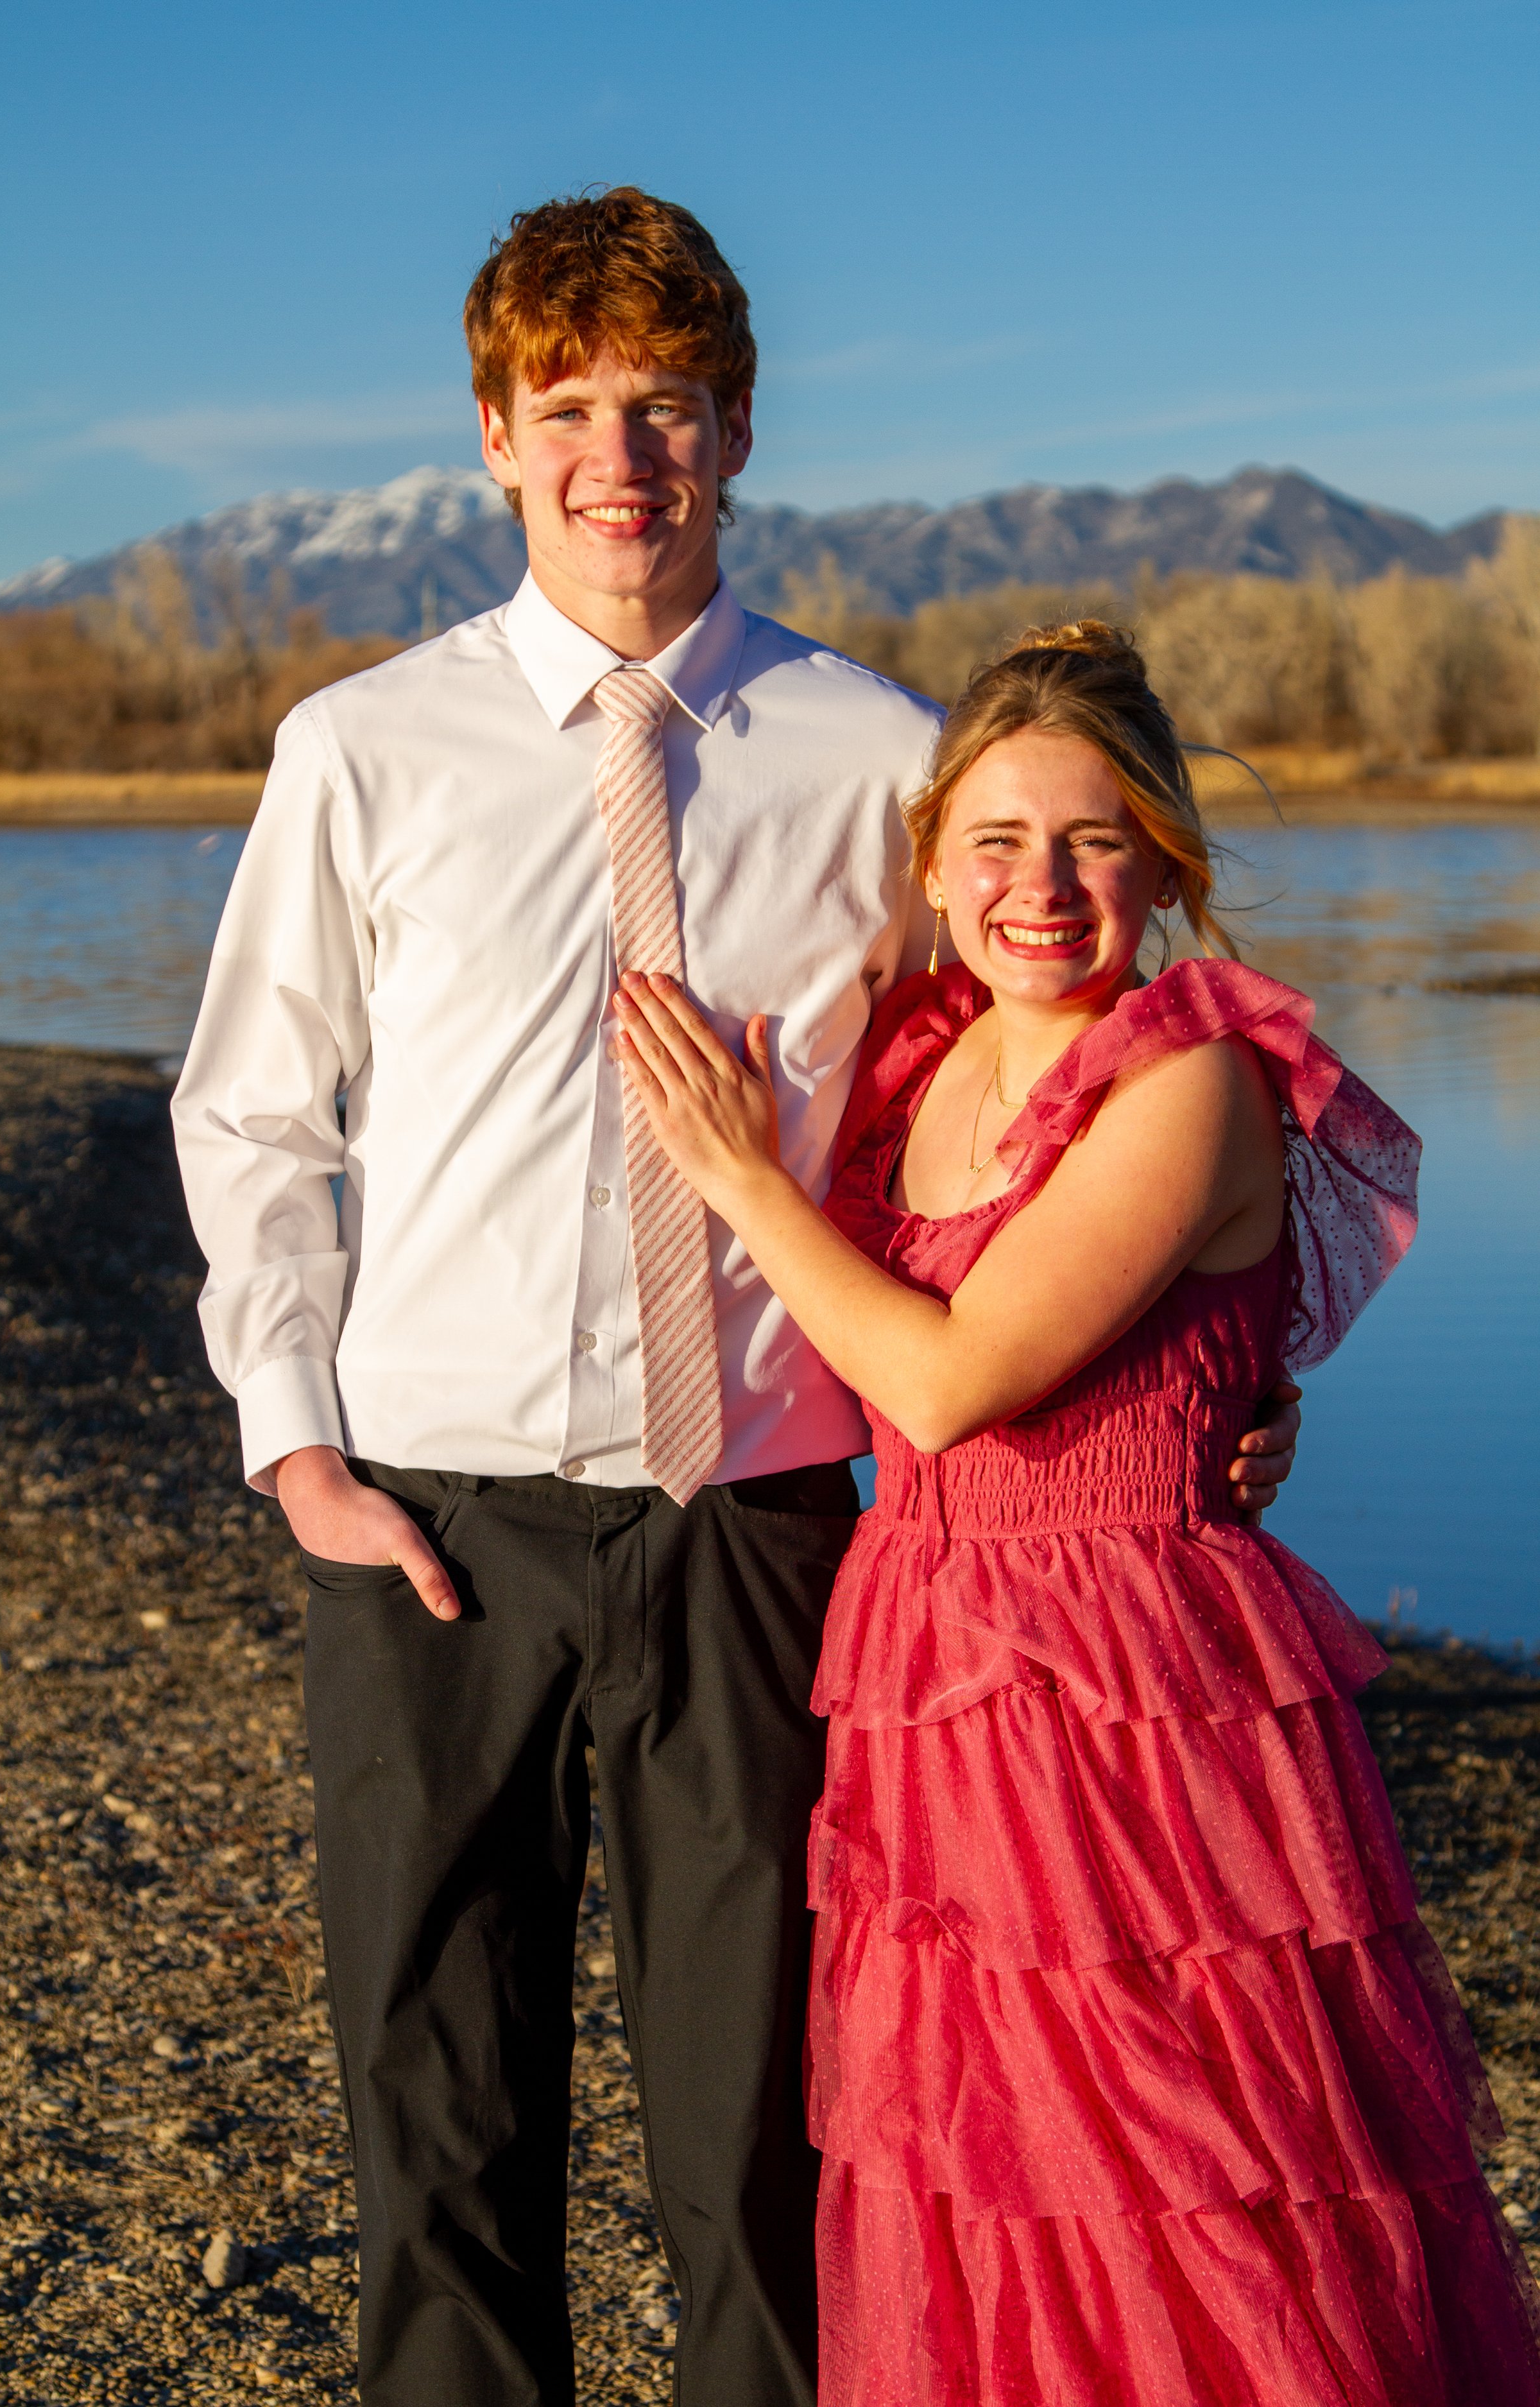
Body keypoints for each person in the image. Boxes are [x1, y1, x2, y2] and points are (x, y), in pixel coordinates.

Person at [171, 190, 1299, 2407]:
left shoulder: (880, 760)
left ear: (739, 429)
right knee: (435, 2092)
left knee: (768, 2127)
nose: (623, 459)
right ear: (493, 437)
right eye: (571, 410)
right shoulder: (359, 748)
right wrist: (292, 1443)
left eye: (667, 410)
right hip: (435, 1518)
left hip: (768, 1527)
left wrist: (1216, 1374)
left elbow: (1050, 1094)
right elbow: (253, 1120)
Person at [610, 621, 1540, 2406]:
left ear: (1163, 867)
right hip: (922, 1658)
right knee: (984, 2160)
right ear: (934, 869)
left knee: (1182, 2153)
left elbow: (954, 1382)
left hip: (1132, 1689)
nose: (1043, 886)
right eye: (998, 841)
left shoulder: (1185, 1080)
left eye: (1096, 840)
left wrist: (732, 1171)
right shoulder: (923, 1058)